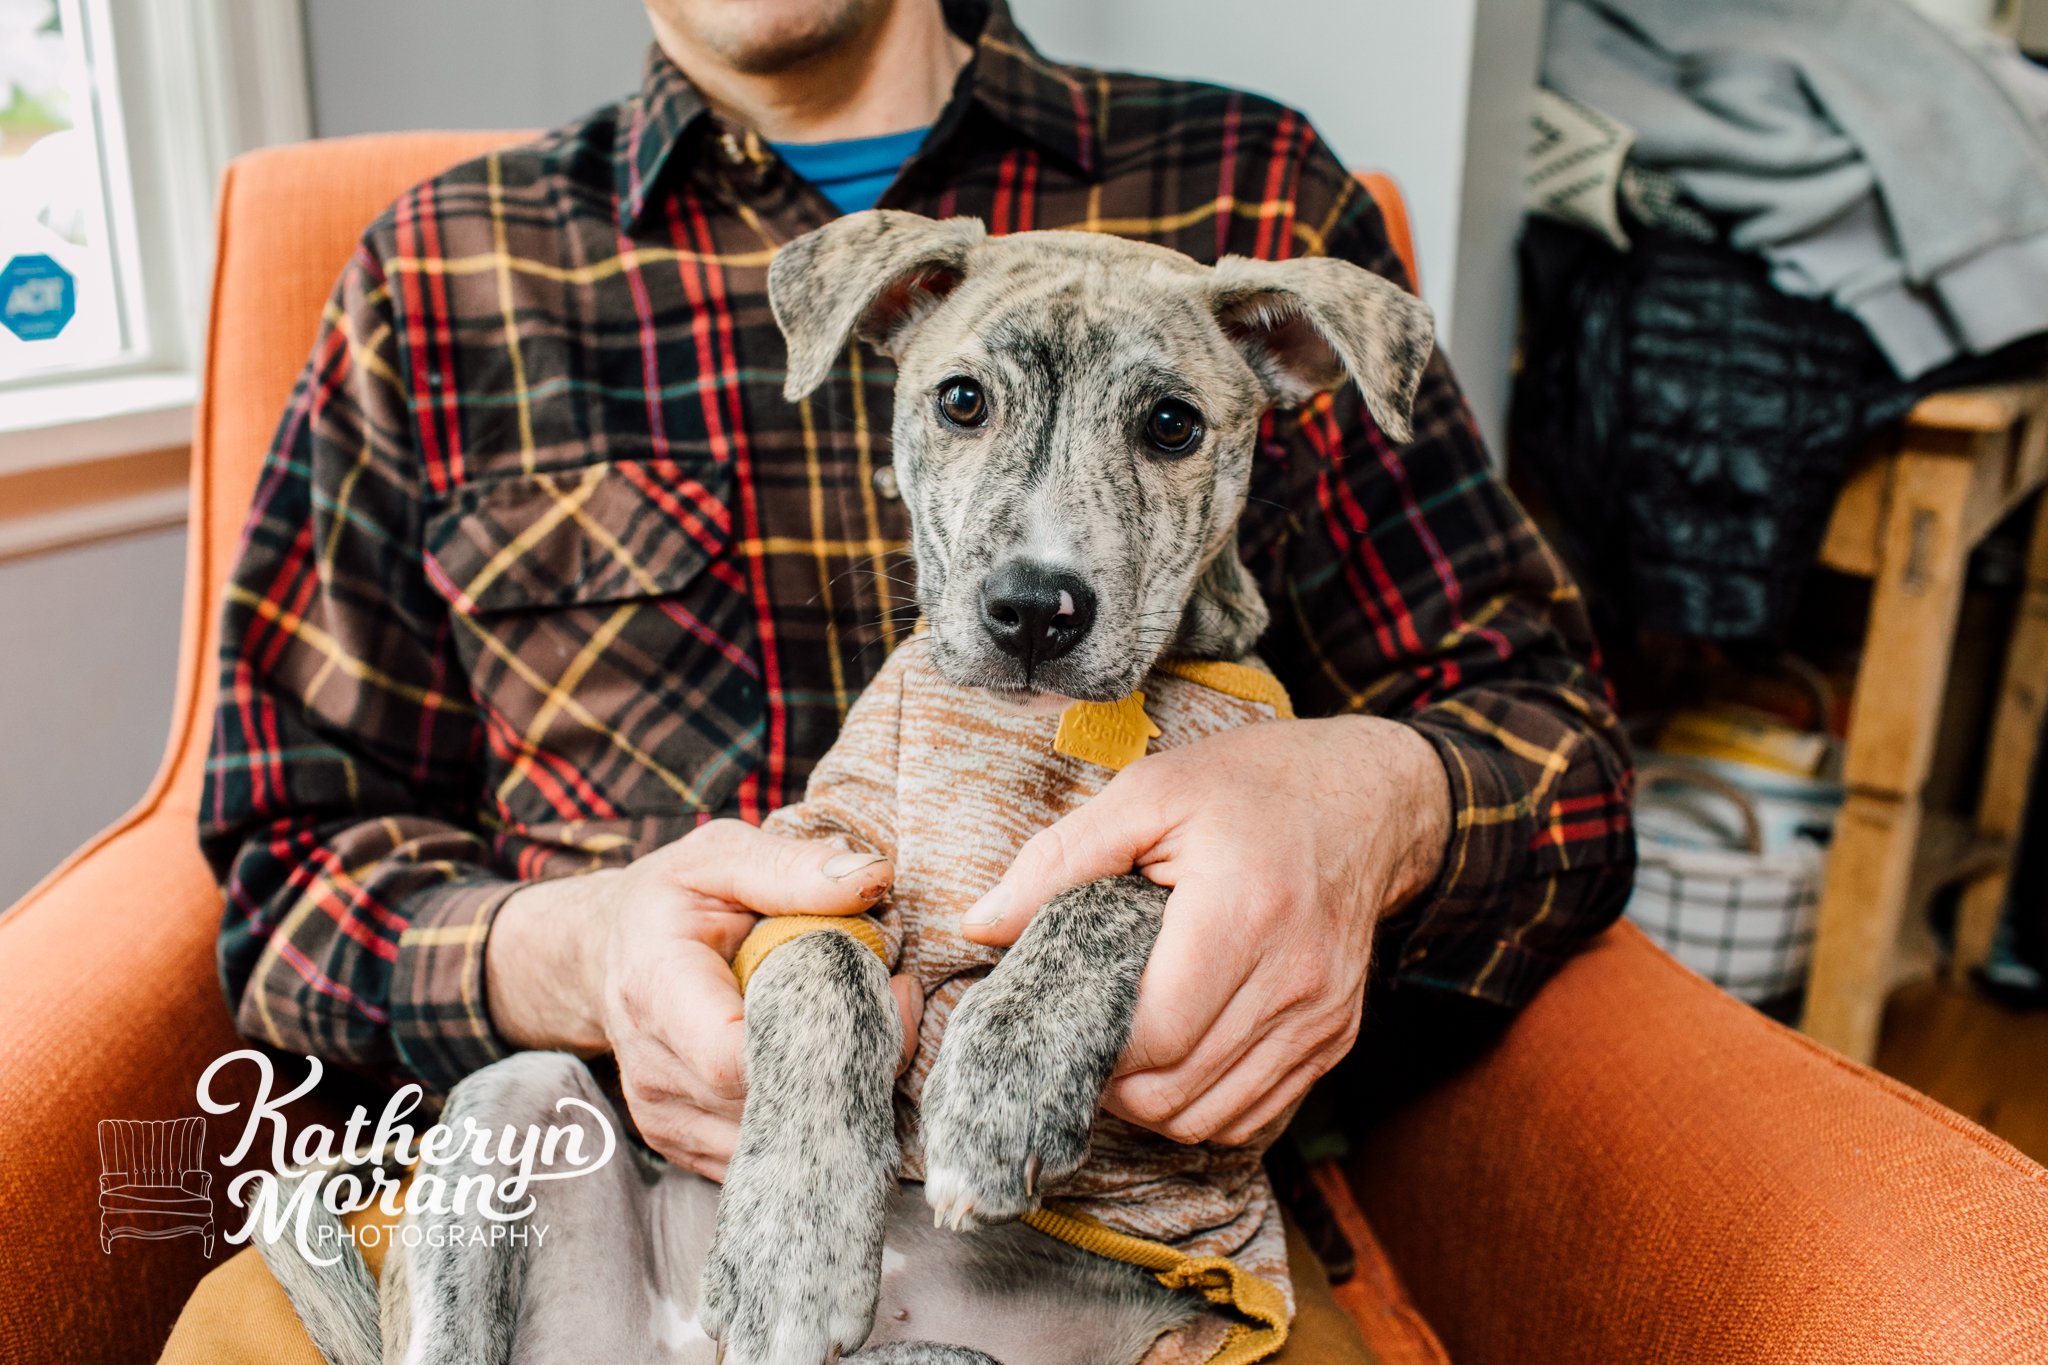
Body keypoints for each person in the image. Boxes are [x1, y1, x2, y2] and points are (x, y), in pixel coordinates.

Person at [176, 0, 1636, 1355]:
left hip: (1113, 1215)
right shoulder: (443, 270)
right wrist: (586, 952)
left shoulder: (1247, 190)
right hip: (613, 1159)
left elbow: (1553, 735)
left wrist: (1369, 807)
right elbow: (287, 870)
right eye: (965, 404)